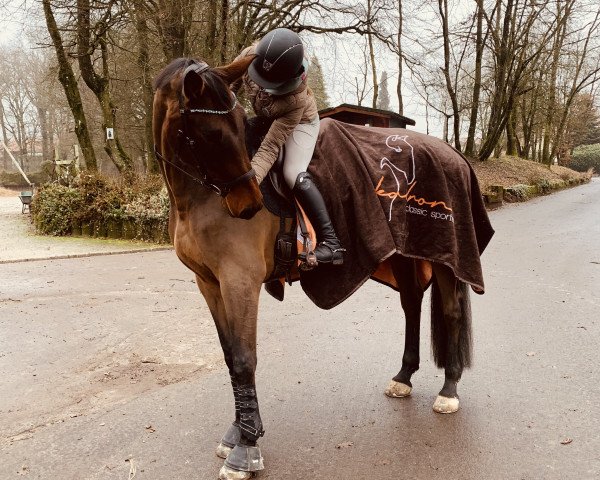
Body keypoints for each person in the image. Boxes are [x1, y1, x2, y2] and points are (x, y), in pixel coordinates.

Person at [232, 28, 344, 266]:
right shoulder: (251, 55)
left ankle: (332, 243)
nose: (261, 86)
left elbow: (271, 148)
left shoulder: (296, 99)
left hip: (300, 122)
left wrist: (249, 182)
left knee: (292, 173)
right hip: (267, 117)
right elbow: (228, 86)